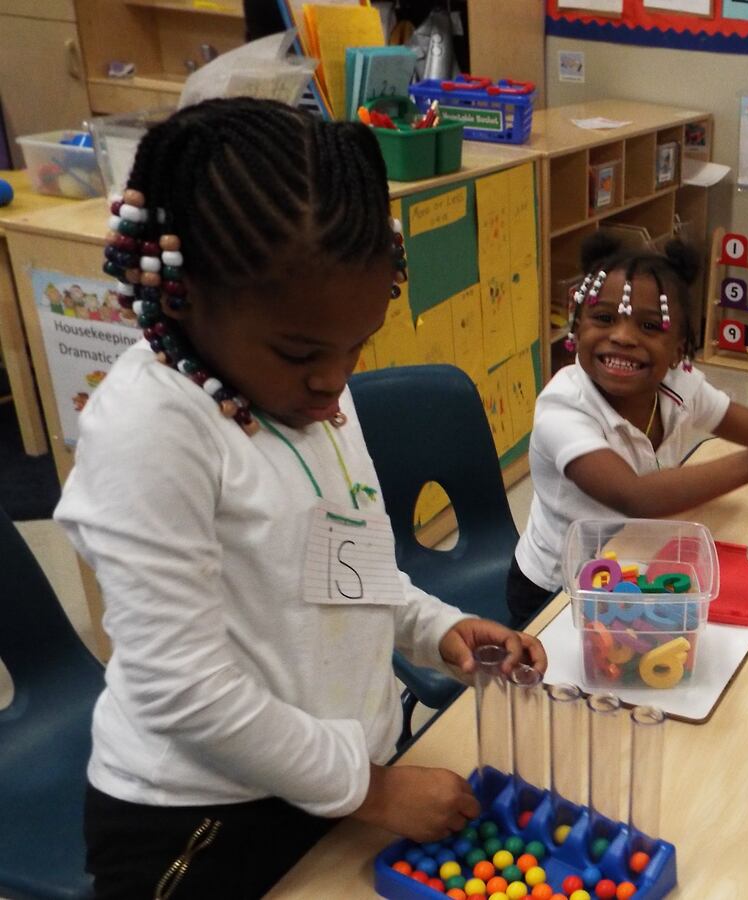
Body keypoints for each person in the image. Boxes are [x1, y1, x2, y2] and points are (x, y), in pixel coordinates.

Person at [54, 99, 545, 898]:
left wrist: (434, 626)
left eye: (356, 346)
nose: (335, 379)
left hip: (332, 785)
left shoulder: (304, 395)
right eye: (302, 351)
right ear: (184, 294)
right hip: (204, 824)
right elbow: (182, 689)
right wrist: (375, 791)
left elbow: (343, 562)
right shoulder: (151, 429)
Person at [509, 233, 748, 622]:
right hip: (557, 589)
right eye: (603, 318)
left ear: (679, 348)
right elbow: (635, 497)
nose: (622, 337)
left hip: (634, 567)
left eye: (650, 326)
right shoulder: (564, 406)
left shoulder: (678, 385)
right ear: (576, 327)